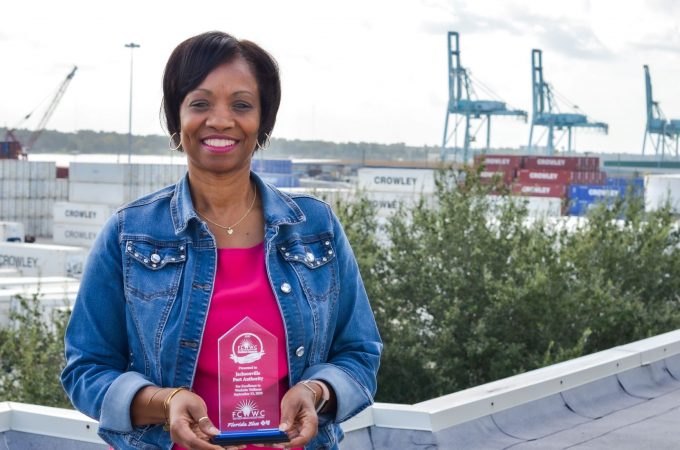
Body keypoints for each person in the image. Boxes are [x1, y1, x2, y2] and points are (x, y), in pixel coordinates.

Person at [61, 31, 382, 450]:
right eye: (200, 103)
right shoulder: (129, 234)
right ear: (177, 119)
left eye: (242, 105)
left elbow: (360, 353)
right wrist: (166, 402)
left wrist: (316, 393)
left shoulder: (315, 226)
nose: (220, 120)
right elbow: (85, 370)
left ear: (262, 123)